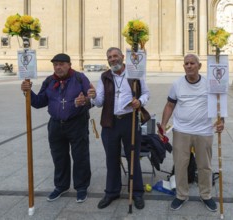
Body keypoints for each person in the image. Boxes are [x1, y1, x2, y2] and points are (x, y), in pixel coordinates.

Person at [21, 53, 91, 203]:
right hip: (55, 125)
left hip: (77, 123)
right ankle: (61, 186)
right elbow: (39, 102)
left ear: (69, 64)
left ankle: (81, 187)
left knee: (80, 157)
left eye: (61, 64)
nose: (58, 67)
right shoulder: (49, 81)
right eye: (55, 65)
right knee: (59, 157)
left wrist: (85, 100)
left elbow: (93, 98)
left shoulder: (80, 78)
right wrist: (28, 92)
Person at [87, 47, 150, 209]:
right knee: (111, 158)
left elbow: (146, 94)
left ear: (122, 57)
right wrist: (94, 97)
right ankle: (112, 192)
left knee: (133, 157)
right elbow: (100, 101)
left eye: (115, 56)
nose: (112, 59)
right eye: (109, 57)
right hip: (110, 122)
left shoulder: (135, 73)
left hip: (130, 121)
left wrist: (140, 102)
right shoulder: (105, 76)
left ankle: (136, 192)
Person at [160, 54, 225, 212]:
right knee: (181, 165)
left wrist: (221, 120)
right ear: (183, 67)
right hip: (181, 131)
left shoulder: (210, 84)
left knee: (204, 165)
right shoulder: (177, 84)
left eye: (192, 63)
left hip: (204, 131)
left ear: (199, 66)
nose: (189, 66)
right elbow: (169, 105)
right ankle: (181, 195)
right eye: (186, 64)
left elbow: (219, 101)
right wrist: (162, 125)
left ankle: (206, 195)